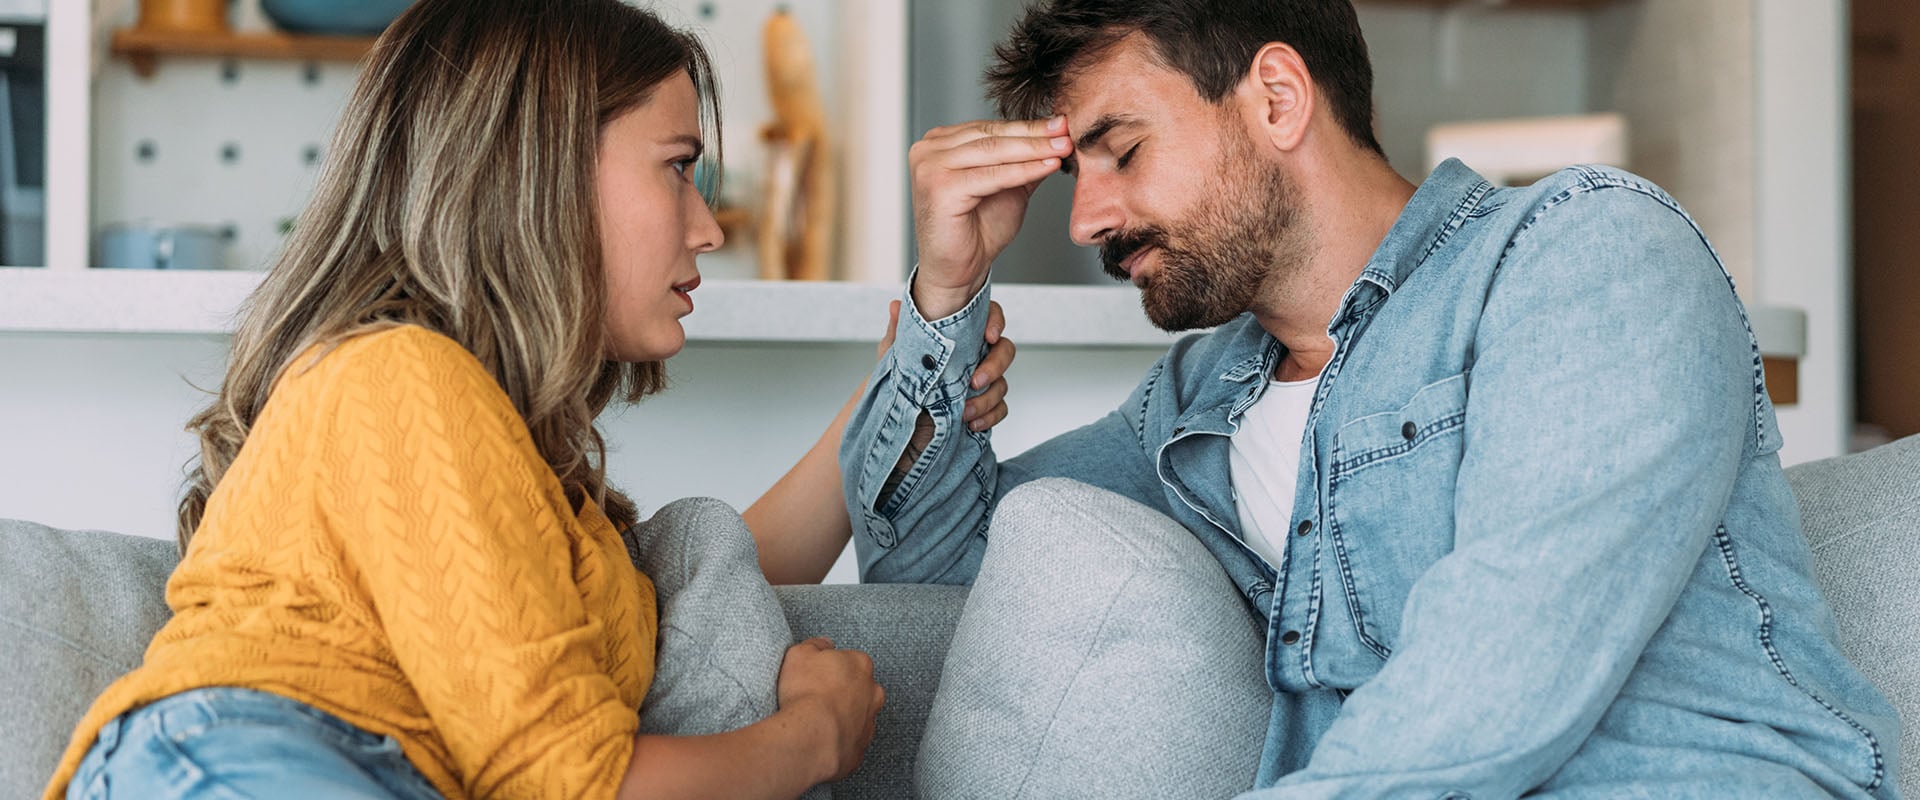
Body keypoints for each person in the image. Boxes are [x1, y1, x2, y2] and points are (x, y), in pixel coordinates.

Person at [836, 1, 1902, 797]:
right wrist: (947, 292)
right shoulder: (1199, 399)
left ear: (1278, 99)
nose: (1086, 219)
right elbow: (934, 576)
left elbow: (1498, 682)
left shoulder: (1586, 253)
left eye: (1122, 151)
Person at [40, 1, 1016, 798]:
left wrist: (915, 369)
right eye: (679, 167)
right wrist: (814, 734)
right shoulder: (397, 375)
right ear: (537, 170)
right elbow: (571, 779)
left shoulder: (528, 482)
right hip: (246, 759)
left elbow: (712, 570)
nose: (708, 227)